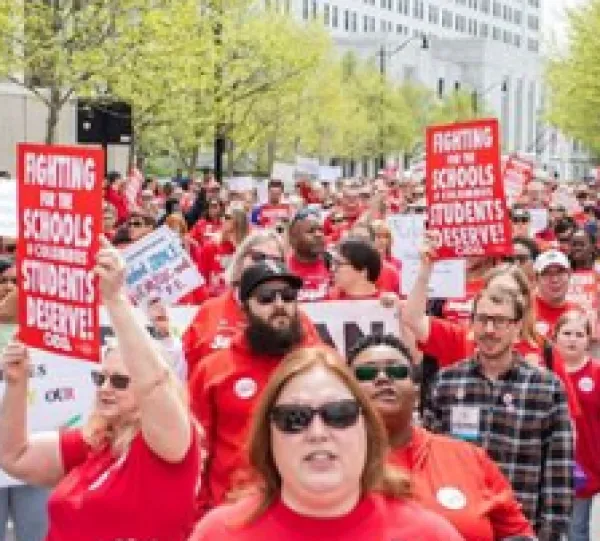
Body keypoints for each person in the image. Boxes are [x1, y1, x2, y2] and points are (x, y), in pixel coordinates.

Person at [0, 237, 200, 541]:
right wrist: (16, 385)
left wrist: (115, 299)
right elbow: (16, 456)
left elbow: (155, 384)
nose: (105, 388)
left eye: (120, 381)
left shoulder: (171, 443)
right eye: (101, 378)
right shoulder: (96, 443)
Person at [190, 346, 464, 540]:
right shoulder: (218, 534)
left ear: (366, 429)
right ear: (268, 436)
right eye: (294, 418)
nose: (317, 432)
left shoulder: (430, 535)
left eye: (338, 414)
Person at [348, 333, 535, 541]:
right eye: (366, 373)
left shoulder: (470, 458)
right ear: (348, 393)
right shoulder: (334, 467)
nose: (382, 378)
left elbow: (520, 535)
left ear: (417, 391)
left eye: (396, 370)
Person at [423, 286, 574, 540]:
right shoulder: (446, 383)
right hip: (458, 526)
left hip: (521, 529)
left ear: (517, 328)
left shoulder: (546, 387)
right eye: (482, 320)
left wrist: (550, 534)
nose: (490, 330)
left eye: (500, 321)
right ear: (472, 324)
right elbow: (429, 460)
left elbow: (558, 470)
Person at [189, 261, 322, 516]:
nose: (279, 304)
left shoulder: (321, 364)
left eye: (288, 295)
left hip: (308, 511)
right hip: (234, 515)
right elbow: (196, 450)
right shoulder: (213, 371)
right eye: (266, 298)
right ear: (245, 307)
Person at [0, 260, 49, 541]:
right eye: (2, 282)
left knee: (37, 532)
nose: (8, 288)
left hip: (31, 451)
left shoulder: (40, 328)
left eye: (14, 283)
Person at [553, 311, 600, 541]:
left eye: (579, 334)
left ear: (589, 341)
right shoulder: (544, 372)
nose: (572, 339)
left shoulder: (597, 374)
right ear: (555, 337)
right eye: (567, 333)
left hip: (584, 468)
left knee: (577, 529)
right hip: (549, 466)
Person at [287, 208, 330, 301]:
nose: (318, 235)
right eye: (311, 231)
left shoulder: (336, 266)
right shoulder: (282, 269)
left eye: (321, 230)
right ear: (293, 238)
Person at [534, 249, 577, 337]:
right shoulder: (525, 311)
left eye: (560, 272)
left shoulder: (577, 313)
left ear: (569, 275)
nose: (554, 279)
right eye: (546, 273)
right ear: (536, 278)